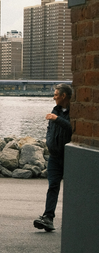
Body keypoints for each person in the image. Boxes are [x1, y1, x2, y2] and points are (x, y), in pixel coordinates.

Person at [34, 82, 73, 232]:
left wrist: (57, 119)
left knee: (72, 189)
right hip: (55, 157)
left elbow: (72, 128)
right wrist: (49, 141)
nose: (53, 97)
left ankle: (74, 221)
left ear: (64, 96)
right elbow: (50, 128)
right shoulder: (55, 110)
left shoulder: (75, 111)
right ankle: (48, 218)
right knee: (53, 186)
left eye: (56, 95)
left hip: (70, 156)